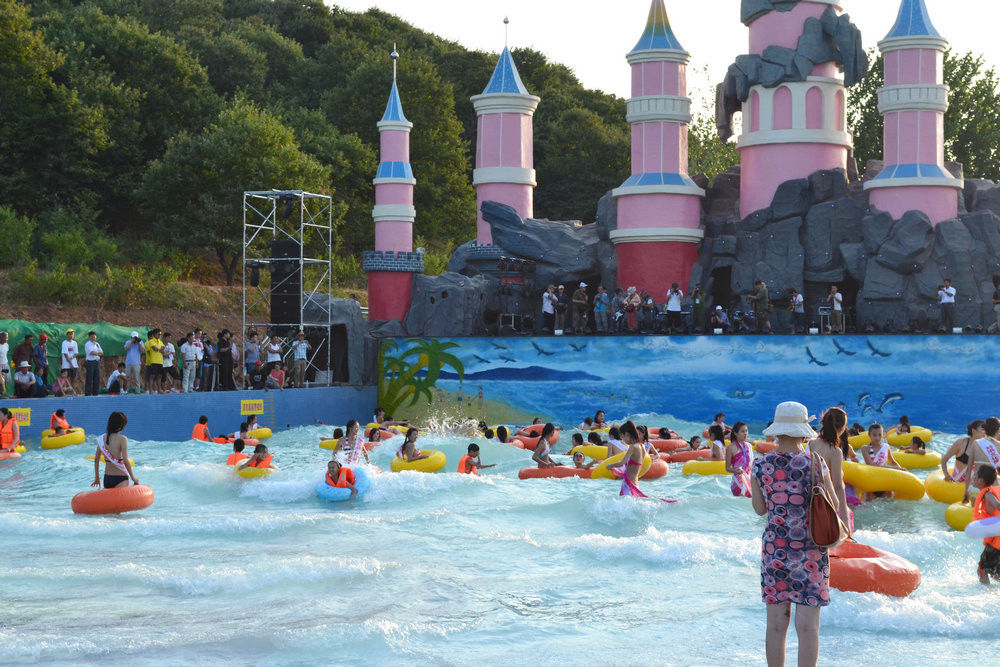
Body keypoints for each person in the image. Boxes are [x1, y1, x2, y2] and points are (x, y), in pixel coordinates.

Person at [751, 401, 833, 667]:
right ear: (803, 430)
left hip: (775, 551)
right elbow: (830, 505)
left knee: (776, 625)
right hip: (811, 551)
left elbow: (760, 509)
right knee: (808, 628)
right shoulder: (815, 463)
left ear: (777, 430)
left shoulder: (760, 464)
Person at [809, 407, 851, 531]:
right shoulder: (835, 451)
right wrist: (845, 520)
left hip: (812, 502)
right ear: (842, 428)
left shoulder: (812, 444)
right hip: (827, 504)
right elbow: (838, 487)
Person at [91, 411, 139, 489]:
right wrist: (133, 478)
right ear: (122, 425)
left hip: (107, 478)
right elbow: (126, 460)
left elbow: (96, 460)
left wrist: (97, 478)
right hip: (121, 478)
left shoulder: (101, 439)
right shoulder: (122, 439)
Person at [972, 464, 1000, 585]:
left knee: (982, 569)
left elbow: (998, 505)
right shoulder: (985, 494)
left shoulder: (988, 494)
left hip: (996, 540)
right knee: (995, 572)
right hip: (996, 539)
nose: (973, 477)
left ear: (981, 481)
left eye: (975, 476)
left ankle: (984, 593)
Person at [965, 417, 1000, 502]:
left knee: (975, 510)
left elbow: (969, 468)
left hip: (976, 487)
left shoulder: (976, 443)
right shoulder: (999, 445)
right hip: (993, 487)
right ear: (998, 430)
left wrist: (966, 490)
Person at [941, 420, 985, 484]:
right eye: (983, 429)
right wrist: (946, 475)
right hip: (957, 483)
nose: (986, 432)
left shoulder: (985, 446)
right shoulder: (961, 443)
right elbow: (944, 459)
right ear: (973, 431)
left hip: (974, 484)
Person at [725, 421, 754, 497]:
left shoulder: (749, 446)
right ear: (735, 433)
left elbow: (752, 465)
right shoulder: (730, 447)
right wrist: (735, 470)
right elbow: (727, 468)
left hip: (749, 480)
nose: (745, 433)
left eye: (746, 431)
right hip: (737, 482)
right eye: (742, 431)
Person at [144, 329, 164, 395]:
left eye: (160, 334)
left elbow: (163, 350)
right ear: (154, 334)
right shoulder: (151, 341)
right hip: (153, 361)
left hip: (160, 361)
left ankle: (159, 390)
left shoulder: (160, 341)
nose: (160, 336)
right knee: (152, 376)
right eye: (158, 334)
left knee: (159, 376)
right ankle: (150, 390)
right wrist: (160, 349)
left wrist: (160, 349)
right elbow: (155, 349)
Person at [83, 331, 103, 396]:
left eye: (94, 336)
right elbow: (92, 352)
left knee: (96, 378)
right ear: (89, 337)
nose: (93, 338)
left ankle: (95, 393)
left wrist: (97, 353)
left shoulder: (97, 344)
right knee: (89, 378)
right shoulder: (87, 344)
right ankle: (88, 393)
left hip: (96, 362)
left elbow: (102, 353)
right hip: (90, 362)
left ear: (96, 337)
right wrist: (97, 353)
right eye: (92, 336)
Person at [0, 331, 9, 396]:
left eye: (7, 337)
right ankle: (2, 394)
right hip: (0, 365)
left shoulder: (6, 345)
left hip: (6, 364)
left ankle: (4, 394)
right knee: (1, 380)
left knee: (6, 379)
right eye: (6, 337)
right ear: (1, 337)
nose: (7, 339)